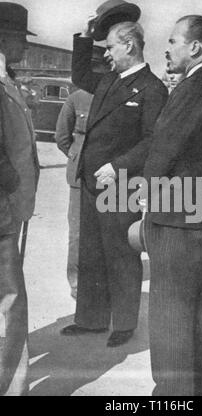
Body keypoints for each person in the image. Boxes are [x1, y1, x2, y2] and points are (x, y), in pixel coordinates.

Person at [142, 15, 202, 395]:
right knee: (199, 306)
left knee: (170, 311)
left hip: (177, 218)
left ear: (195, 47)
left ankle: (171, 396)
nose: (167, 49)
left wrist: (141, 201)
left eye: (172, 41)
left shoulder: (192, 88)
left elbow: (162, 152)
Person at [60, 16, 168, 348]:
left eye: (110, 47)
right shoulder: (109, 81)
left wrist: (118, 165)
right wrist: (88, 35)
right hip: (92, 181)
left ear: (130, 45)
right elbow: (79, 75)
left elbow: (153, 140)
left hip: (122, 184)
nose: (106, 54)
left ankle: (123, 324)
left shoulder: (152, 88)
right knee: (91, 253)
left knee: (121, 253)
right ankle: (90, 319)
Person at [0, 3, 39, 395]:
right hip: (2, 211)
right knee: (11, 302)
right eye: (19, 39)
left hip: (11, 208)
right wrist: (11, 187)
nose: (24, 48)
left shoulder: (6, 78)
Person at [55, 89, 93, 300]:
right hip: (80, 178)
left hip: (111, 177)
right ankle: (77, 284)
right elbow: (62, 137)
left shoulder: (118, 93)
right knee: (78, 233)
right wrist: (76, 157)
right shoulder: (76, 98)